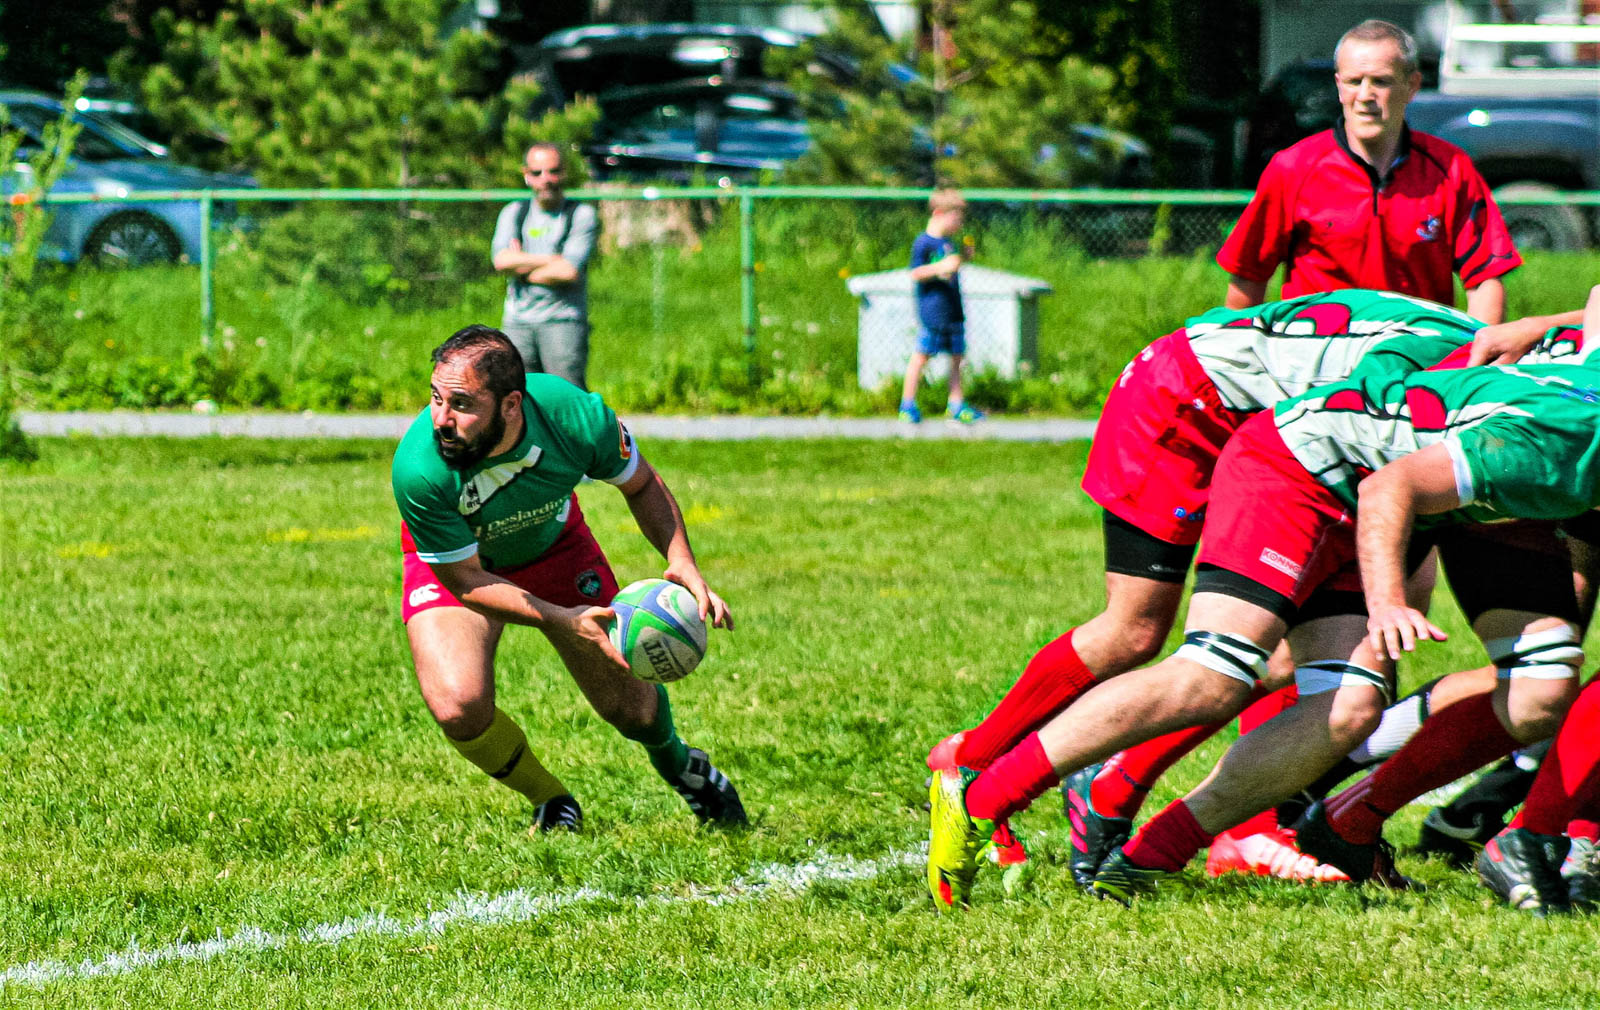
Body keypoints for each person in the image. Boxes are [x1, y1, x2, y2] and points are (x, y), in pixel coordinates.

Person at [926, 289, 1581, 883]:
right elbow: (1360, 436)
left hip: (1313, 446)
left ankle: (1179, 816)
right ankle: (974, 767)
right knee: (1144, 635)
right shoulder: (1507, 397)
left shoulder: (1547, 377)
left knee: (1336, 681)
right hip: (1193, 401)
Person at [391, 324, 745, 832]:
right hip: (463, 566)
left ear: (511, 405)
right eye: (435, 398)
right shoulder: (419, 467)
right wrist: (561, 619)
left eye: (462, 404)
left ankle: (681, 766)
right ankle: (551, 800)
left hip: (554, 546)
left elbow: (640, 482)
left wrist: (681, 558)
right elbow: (467, 581)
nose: (441, 419)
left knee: (637, 710)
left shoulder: (572, 416)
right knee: (458, 704)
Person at [1217, 20, 1520, 325]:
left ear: (1412, 85)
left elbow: (1485, 281)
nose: (1365, 95)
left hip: (1418, 357)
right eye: (1354, 81)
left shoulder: (1451, 168)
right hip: (1317, 360)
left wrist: (1477, 359)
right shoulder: (1293, 168)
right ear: (1338, 86)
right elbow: (1248, 278)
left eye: (1381, 81)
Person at [491, 143, 599, 389]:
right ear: (526, 175)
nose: (546, 179)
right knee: (518, 398)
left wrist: (521, 267)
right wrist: (551, 260)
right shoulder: (514, 212)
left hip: (563, 321)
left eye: (553, 171)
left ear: (564, 173)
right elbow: (501, 261)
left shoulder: (581, 214)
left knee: (566, 398)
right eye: (537, 172)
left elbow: (568, 271)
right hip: (517, 322)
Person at [898, 188, 983, 425]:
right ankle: (908, 404)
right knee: (922, 356)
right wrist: (940, 267)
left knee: (957, 357)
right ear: (939, 213)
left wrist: (963, 258)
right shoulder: (924, 243)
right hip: (933, 312)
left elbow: (951, 267)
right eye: (956, 218)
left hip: (953, 310)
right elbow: (916, 272)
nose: (959, 224)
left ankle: (956, 404)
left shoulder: (948, 244)